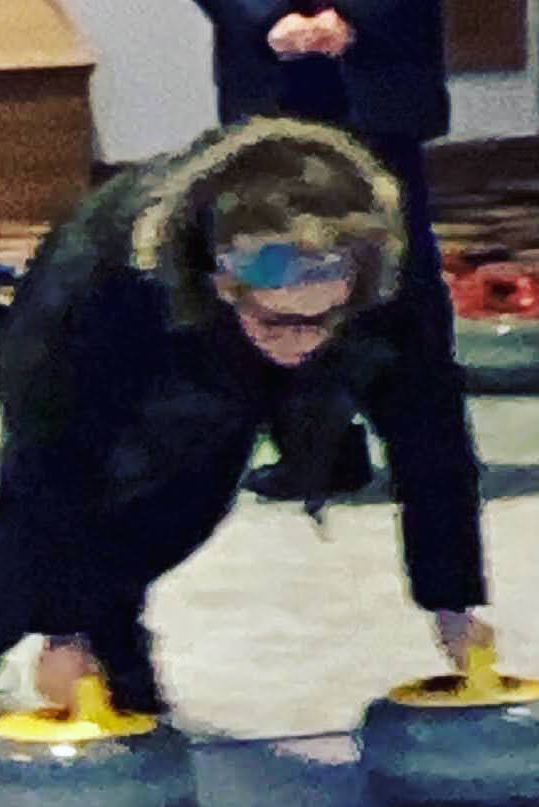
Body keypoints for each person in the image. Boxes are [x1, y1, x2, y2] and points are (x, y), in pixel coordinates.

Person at [0, 117, 490, 722]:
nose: (301, 341)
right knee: (63, 533)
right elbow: (54, 459)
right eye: (279, 322)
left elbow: (430, 432)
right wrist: (65, 632)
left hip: (223, 349)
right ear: (224, 283)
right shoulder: (110, 277)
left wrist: (453, 601)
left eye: (320, 320)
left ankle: (111, 633)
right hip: (107, 346)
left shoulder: (386, 275)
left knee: (187, 512)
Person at [187, 0, 468, 506]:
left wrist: (356, 18)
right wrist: (266, 17)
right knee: (275, 267)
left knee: (401, 274)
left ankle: (424, 450)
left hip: (380, 63)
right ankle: (316, 446)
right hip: (268, 71)